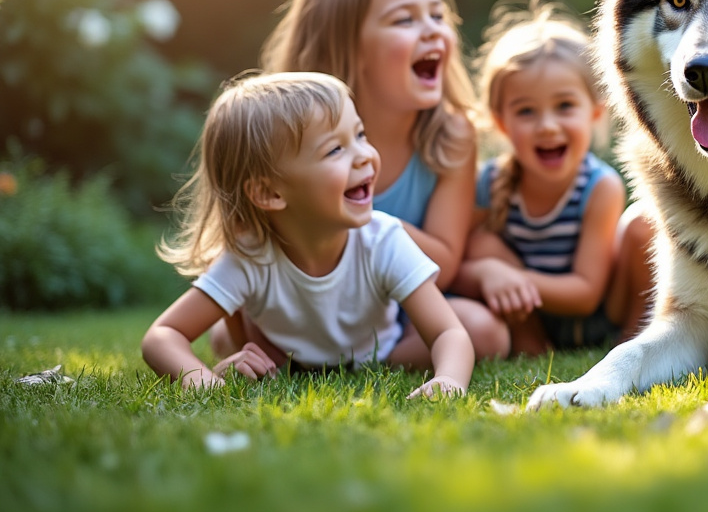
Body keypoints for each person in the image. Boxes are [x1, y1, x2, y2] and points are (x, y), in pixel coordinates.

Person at [259, 0, 510, 360]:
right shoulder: (289, 143)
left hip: (406, 321)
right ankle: (309, 352)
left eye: (437, 15)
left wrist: (348, 213)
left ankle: (364, 361)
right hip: (308, 313)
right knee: (237, 339)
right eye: (404, 20)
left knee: (482, 331)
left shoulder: (451, 137)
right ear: (347, 47)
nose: (432, 31)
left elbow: (445, 263)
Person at [142, 72, 474, 397]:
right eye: (335, 150)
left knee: (480, 333)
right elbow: (162, 335)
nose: (364, 156)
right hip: (281, 360)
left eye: (360, 135)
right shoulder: (250, 256)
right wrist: (204, 382)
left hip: (382, 356)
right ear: (269, 193)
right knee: (224, 342)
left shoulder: (384, 239)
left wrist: (449, 380)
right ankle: (239, 344)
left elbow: (448, 332)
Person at [458, 0, 656, 355]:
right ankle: (529, 345)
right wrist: (489, 273)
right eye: (526, 112)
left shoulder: (599, 186)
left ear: (596, 112)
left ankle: (633, 343)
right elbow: (456, 269)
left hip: (599, 315)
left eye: (565, 106)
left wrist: (516, 280)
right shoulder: (488, 184)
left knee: (644, 223)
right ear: (501, 123)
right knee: (482, 246)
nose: (547, 126)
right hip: (531, 316)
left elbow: (584, 294)